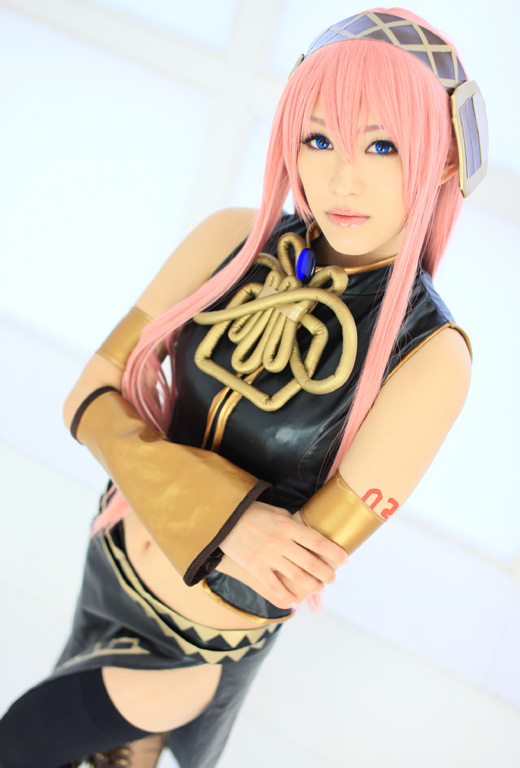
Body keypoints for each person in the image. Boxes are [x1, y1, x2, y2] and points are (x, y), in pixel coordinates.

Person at [0, 7, 488, 768]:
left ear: (448, 158)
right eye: (318, 139)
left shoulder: (431, 356)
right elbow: (86, 397)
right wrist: (228, 521)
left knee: (21, 742)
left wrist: (152, 465)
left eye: (383, 144)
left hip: (196, 649)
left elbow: (293, 567)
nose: (342, 177)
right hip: (109, 564)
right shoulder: (232, 239)